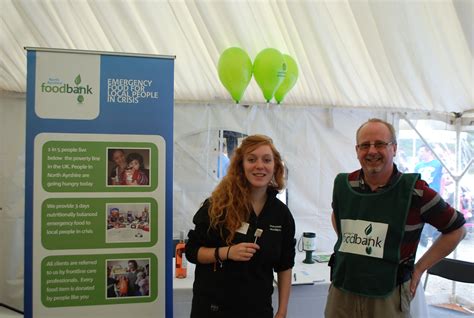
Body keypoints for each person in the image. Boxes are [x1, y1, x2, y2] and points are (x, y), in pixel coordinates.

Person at [325, 118, 466, 318]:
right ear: (357, 151)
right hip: (343, 289)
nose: (372, 151)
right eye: (365, 145)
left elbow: (457, 229)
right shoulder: (344, 184)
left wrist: (419, 269)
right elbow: (337, 215)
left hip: (388, 295)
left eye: (380, 144)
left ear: (394, 148)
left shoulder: (414, 191)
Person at [185, 134, 296, 318]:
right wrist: (227, 252)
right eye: (252, 159)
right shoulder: (218, 206)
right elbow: (192, 251)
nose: (260, 165)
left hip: (257, 310)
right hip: (214, 309)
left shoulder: (281, 214)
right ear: (241, 166)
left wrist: (282, 311)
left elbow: (285, 265)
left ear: (275, 166)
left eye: (267, 160)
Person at [414, 145, 444, 246]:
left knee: (435, 217)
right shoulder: (418, 166)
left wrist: (442, 191)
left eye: (422, 151)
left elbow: (443, 178)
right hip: (420, 195)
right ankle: (423, 241)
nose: (420, 153)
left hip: (434, 192)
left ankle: (435, 240)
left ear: (429, 152)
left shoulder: (438, 164)